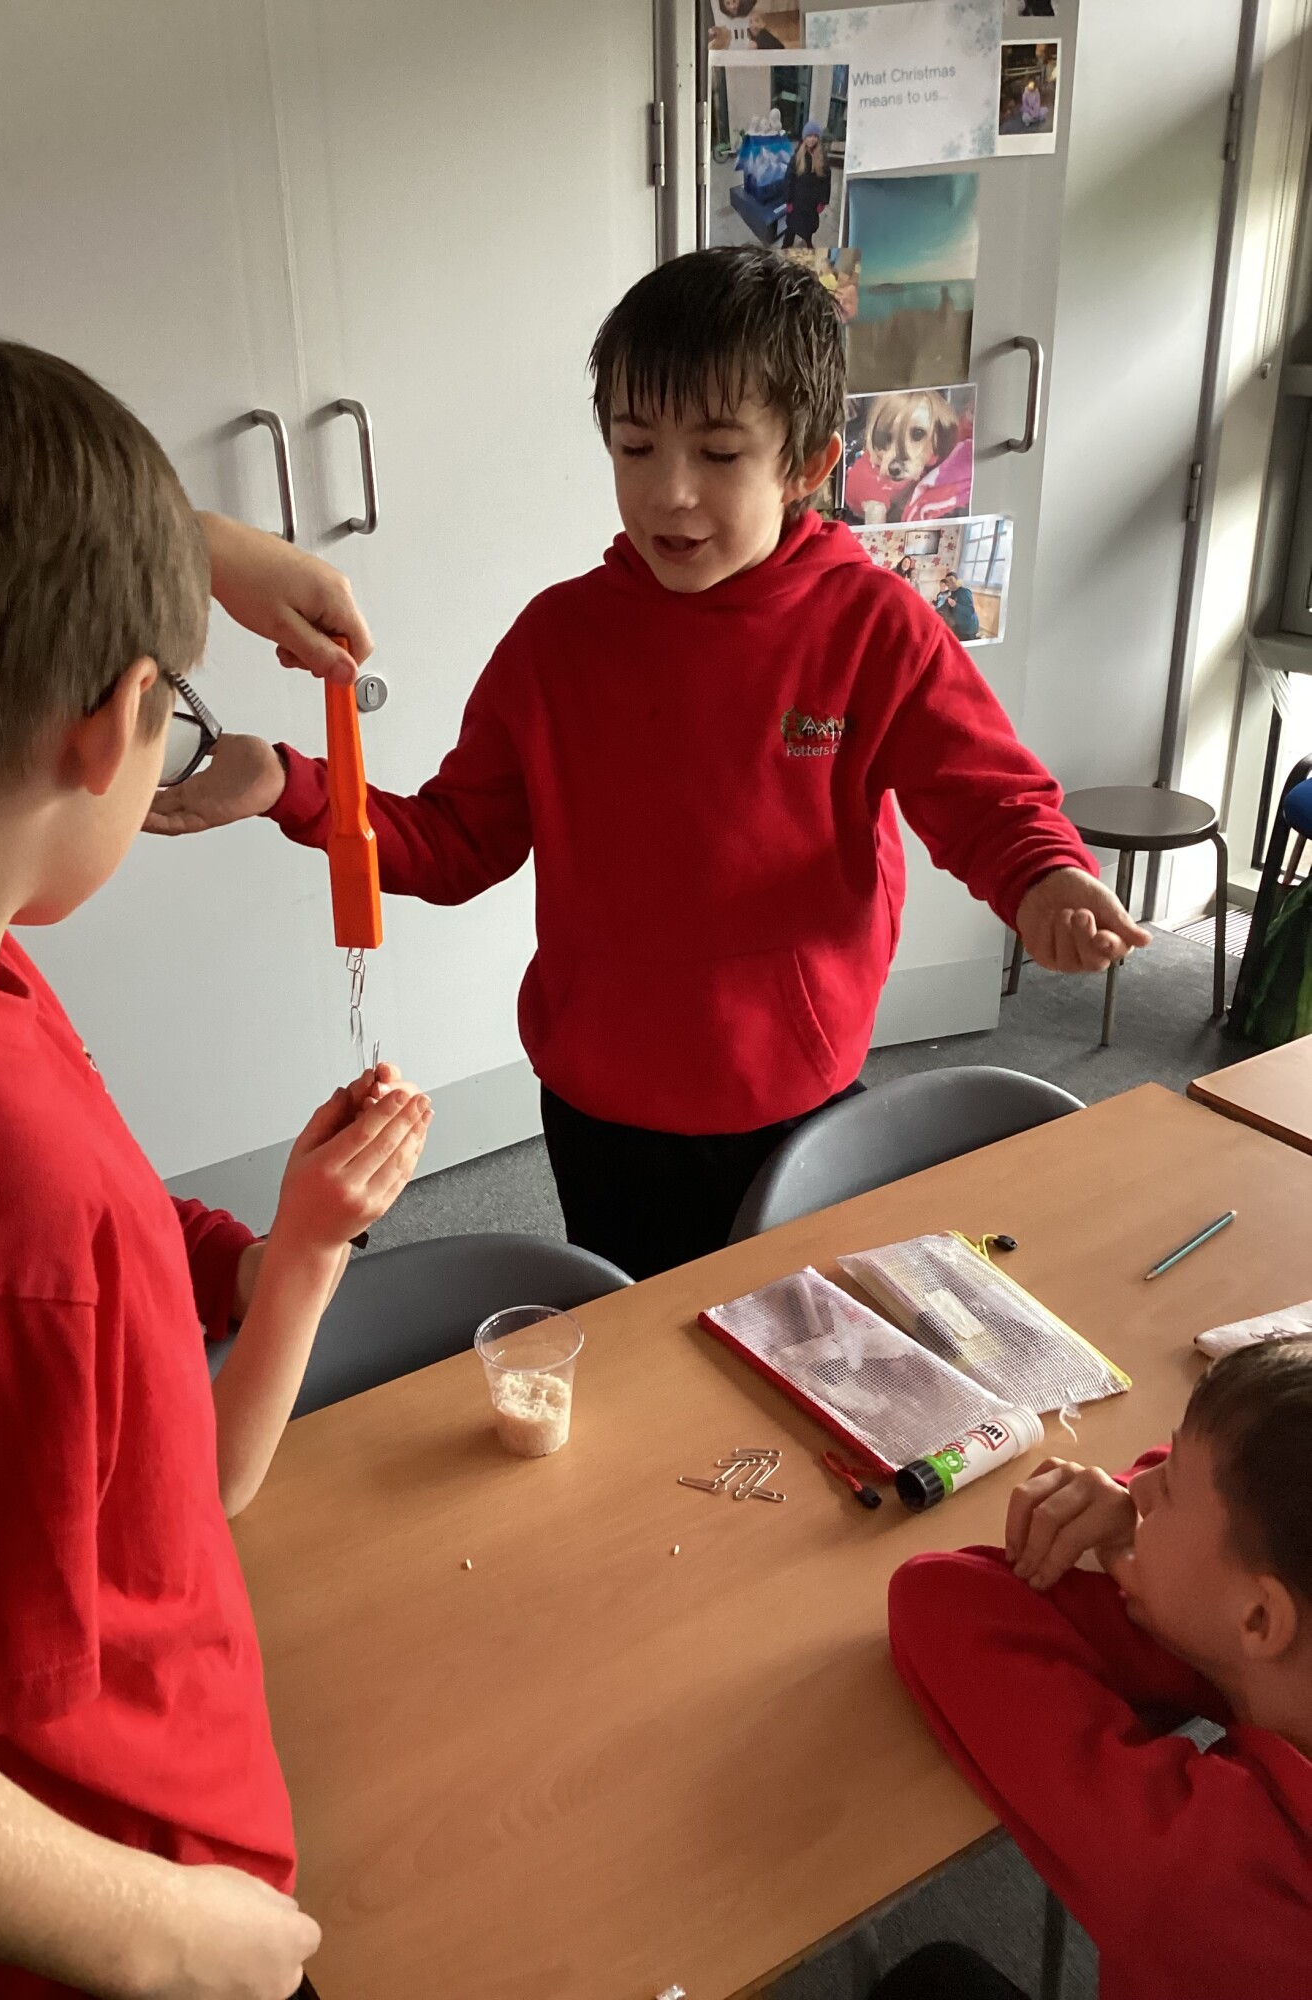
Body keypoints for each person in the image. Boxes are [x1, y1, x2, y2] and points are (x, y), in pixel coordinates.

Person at [0, 331, 431, 2000]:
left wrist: (274, 1256)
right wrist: (167, 1937)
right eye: (175, 715)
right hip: (101, 1919)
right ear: (110, 729)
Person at [149, 247, 1147, 1281]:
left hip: (797, 1095)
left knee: (800, 1330)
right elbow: (453, 844)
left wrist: (1045, 875)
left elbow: (986, 795)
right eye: (635, 447)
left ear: (807, 464)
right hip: (602, 1108)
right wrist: (288, 784)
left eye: (718, 453)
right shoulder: (556, 642)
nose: (670, 492)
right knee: (634, 1331)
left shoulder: (873, 627)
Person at [888, 1338, 1312, 1999]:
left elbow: (940, 1600)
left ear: (1259, 1620)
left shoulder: (1214, 1874)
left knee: (926, 1980)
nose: (1137, 1485)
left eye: (1166, 1490)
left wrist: (1132, 1563)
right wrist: (1204, 1635)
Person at [783, 120, 831, 250]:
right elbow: (788, 179)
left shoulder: (822, 157)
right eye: (809, 135)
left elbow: (826, 181)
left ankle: (808, 242)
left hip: (811, 203)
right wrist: (788, 200)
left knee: (808, 227)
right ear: (804, 137)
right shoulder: (797, 156)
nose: (812, 139)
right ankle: (786, 246)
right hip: (797, 201)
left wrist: (823, 200)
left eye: (815, 136)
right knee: (791, 227)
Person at [935, 568, 981, 642]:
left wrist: (955, 605)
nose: (949, 583)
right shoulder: (950, 593)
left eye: (951, 580)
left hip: (968, 629)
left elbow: (970, 611)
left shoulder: (964, 592)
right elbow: (943, 606)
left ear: (956, 580)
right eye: (947, 581)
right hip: (958, 627)